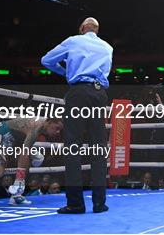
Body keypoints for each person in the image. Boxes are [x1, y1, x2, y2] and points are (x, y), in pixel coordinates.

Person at [42, 17, 113, 214]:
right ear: (97, 30)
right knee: (98, 148)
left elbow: (46, 60)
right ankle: (100, 203)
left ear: (82, 28)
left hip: (79, 93)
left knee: (73, 147)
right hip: (99, 95)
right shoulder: (107, 47)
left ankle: (75, 203)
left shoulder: (74, 40)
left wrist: (66, 72)